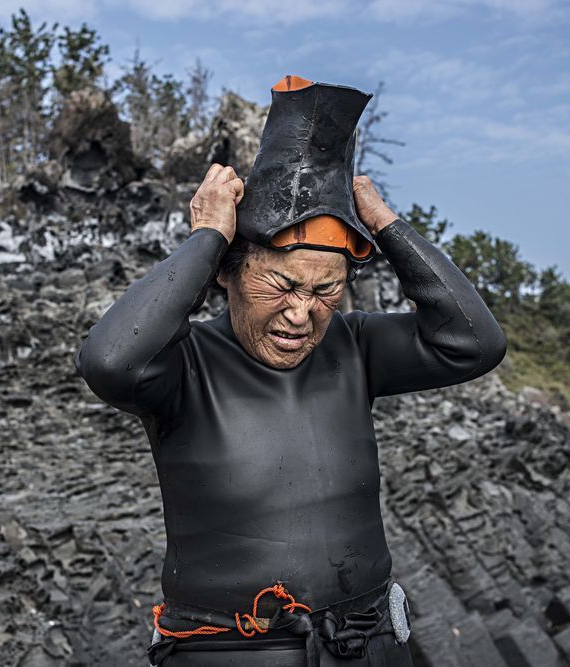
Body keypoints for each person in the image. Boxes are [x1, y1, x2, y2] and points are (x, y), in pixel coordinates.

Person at [74, 159, 508, 666]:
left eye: (326, 290)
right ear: (224, 273)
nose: (301, 313)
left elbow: (474, 344)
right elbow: (107, 361)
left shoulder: (354, 345)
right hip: (232, 652)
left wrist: (387, 225)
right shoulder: (180, 364)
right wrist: (209, 236)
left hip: (370, 643)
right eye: (281, 285)